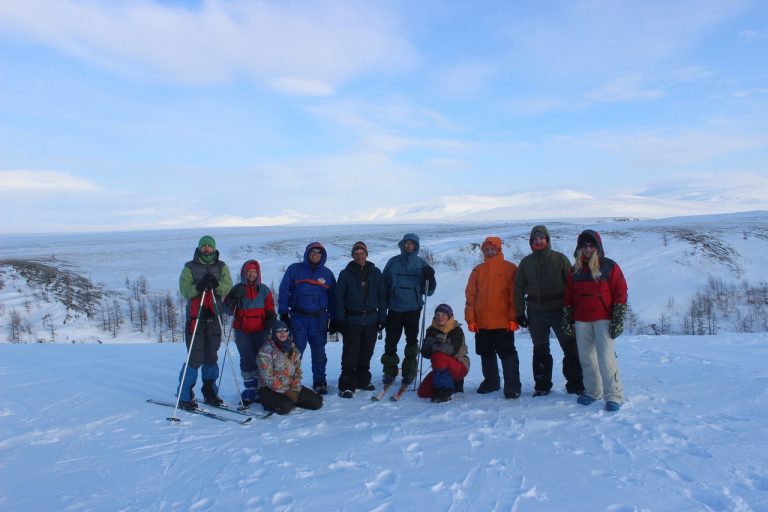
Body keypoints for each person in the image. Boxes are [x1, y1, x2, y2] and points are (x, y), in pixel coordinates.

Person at [514, 225, 584, 397]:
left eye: (541, 238)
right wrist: (519, 312)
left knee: (570, 347)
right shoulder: (526, 263)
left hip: (559, 310)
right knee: (540, 349)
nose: (538, 241)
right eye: (535, 239)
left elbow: (571, 286)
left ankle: (575, 384)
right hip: (536, 311)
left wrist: (572, 310)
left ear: (547, 240)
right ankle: (542, 385)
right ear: (531, 242)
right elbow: (518, 289)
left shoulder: (560, 259)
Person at [563, 230, 628, 412]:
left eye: (591, 245)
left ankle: (614, 395)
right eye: (584, 245)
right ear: (579, 248)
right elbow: (569, 295)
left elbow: (620, 291)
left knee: (606, 358)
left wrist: (618, 317)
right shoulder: (574, 269)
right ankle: (592, 391)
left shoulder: (609, 267)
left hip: (604, 319)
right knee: (586, 358)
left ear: (597, 247)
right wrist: (567, 318)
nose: (588, 248)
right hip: (581, 320)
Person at [176, 235, 233, 410]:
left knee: (211, 356)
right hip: (195, 318)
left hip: (214, 317)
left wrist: (215, 285)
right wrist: (199, 287)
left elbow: (227, 286)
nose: (207, 248)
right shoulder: (189, 267)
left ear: (214, 248)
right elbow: (185, 291)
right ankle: (184, 394)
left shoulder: (221, 266)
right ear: (199, 248)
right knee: (195, 357)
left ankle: (210, 392)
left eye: (210, 246)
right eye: (204, 246)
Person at [464, 236, 521, 399]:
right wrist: (471, 319)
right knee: (486, 353)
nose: (489, 251)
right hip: (481, 322)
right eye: (486, 249)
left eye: (492, 248)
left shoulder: (510, 268)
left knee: (507, 354)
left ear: (499, 249)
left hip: (503, 321)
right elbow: (470, 296)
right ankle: (491, 381)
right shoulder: (478, 270)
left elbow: (513, 296)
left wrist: (513, 318)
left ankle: (512, 386)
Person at [278, 242, 337, 395]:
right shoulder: (294, 270)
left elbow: (334, 298)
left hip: (319, 319)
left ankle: (320, 382)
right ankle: (291, 382)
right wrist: (283, 313)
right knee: (295, 353)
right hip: (298, 318)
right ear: (307, 253)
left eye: (318, 252)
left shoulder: (327, 274)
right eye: (312, 252)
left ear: (322, 255)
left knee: (319, 353)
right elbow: (284, 291)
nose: (315, 255)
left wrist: (334, 318)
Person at [381, 233, 437, 387]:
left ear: (416, 246)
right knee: (391, 341)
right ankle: (389, 371)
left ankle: (409, 371)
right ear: (402, 245)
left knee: (412, 341)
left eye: (412, 244)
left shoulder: (421, 264)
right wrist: (383, 307)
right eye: (406, 243)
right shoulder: (393, 262)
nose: (409, 246)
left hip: (413, 308)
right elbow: (383, 285)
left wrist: (430, 278)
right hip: (394, 308)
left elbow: (429, 291)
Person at [334, 241, 387, 398]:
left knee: (366, 352)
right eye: (356, 254)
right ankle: (347, 384)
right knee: (350, 353)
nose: (359, 257)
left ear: (366, 255)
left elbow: (382, 296)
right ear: (352, 256)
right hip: (352, 320)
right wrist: (340, 320)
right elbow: (338, 298)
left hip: (371, 318)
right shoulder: (346, 274)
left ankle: (363, 380)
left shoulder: (375, 272)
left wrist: (382, 317)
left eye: (362, 254)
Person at [223, 259, 276, 406]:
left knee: (262, 359)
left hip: (261, 330)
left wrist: (271, 319)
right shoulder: (237, 288)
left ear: (258, 273)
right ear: (244, 273)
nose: (251, 274)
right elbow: (226, 309)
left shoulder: (264, 290)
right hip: (243, 330)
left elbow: (270, 308)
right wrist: (233, 298)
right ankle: (250, 389)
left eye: (254, 271)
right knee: (247, 360)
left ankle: (261, 389)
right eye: (249, 271)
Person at [257, 321, 323, 415]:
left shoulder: (292, 348)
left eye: (285, 330)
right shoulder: (265, 351)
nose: (282, 333)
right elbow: (268, 377)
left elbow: (297, 370)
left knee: (317, 403)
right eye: (279, 331)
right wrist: (285, 392)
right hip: (270, 389)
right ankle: (269, 402)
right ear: (274, 333)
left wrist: (295, 388)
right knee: (286, 406)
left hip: (290, 386)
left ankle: (292, 400)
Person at [417, 304, 469, 403]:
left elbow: (452, 351)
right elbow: (425, 353)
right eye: (438, 314)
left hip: (460, 365)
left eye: (443, 314)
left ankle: (444, 392)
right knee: (423, 393)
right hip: (441, 368)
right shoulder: (431, 330)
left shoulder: (456, 330)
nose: (440, 317)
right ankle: (452, 384)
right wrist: (433, 346)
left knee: (438, 356)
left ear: (449, 316)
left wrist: (433, 345)